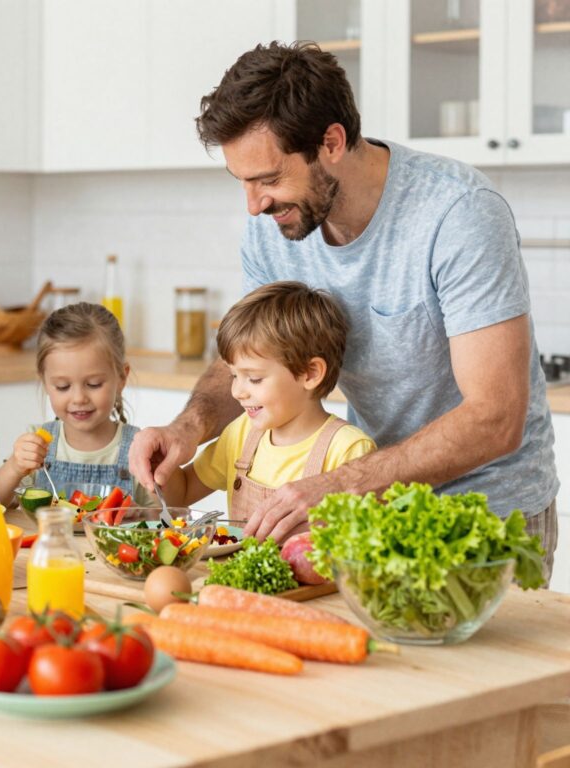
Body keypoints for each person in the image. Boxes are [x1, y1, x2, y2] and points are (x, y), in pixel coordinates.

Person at [129, 41, 559, 580]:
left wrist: (337, 485)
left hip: (485, 516)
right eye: (242, 181)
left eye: (268, 179)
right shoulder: (276, 227)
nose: (254, 204)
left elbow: (495, 418)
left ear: (331, 141)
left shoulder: (457, 213)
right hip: (366, 509)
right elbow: (251, 355)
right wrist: (187, 429)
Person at [161, 281, 375, 523]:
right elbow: (183, 492)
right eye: (234, 376)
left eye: (254, 378)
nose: (237, 392)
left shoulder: (348, 450)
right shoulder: (241, 434)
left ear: (310, 373)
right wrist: (160, 468)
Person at [0, 302, 153, 508]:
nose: (78, 398)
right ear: (45, 383)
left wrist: (138, 514)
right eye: (62, 386)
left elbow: (160, 518)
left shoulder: (137, 448)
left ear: (121, 378)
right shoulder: (38, 442)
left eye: (93, 384)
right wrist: (15, 467)